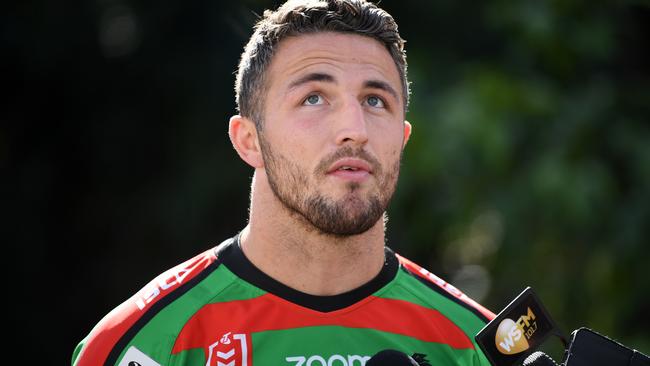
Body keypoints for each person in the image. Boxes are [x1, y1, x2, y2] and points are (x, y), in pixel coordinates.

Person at [72, 0, 495, 365]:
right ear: (249, 141)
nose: (355, 128)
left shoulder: (477, 347)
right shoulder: (143, 345)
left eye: (374, 100)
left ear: (401, 140)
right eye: (313, 98)